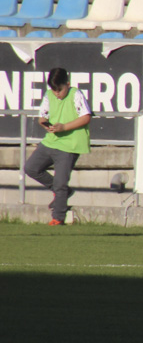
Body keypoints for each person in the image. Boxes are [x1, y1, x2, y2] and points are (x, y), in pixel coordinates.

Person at [25, 68, 92, 226]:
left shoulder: (76, 94)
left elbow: (86, 117)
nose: (57, 94)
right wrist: (45, 125)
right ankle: (63, 193)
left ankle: (58, 218)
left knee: (61, 182)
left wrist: (64, 127)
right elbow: (43, 116)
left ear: (67, 84)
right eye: (54, 90)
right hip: (51, 141)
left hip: (70, 144)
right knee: (31, 168)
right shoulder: (49, 95)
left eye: (60, 90)